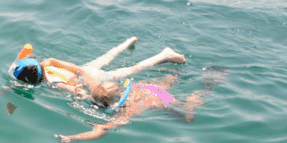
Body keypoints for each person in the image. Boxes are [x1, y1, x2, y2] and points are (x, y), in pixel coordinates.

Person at [55, 67, 226, 143]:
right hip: (143, 87)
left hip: (158, 99)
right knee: (167, 82)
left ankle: (208, 85)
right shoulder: (111, 90)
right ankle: (177, 73)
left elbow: (101, 130)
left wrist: (73, 137)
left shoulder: (126, 111)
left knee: (188, 116)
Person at [11, 38, 186, 100]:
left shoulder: (52, 83)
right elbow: (75, 68)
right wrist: (82, 73)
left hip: (93, 79)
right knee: (107, 56)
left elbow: (73, 89)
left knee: (132, 70)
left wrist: (80, 94)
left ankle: (164, 55)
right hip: (86, 69)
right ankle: (128, 42)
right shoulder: (49, 62)